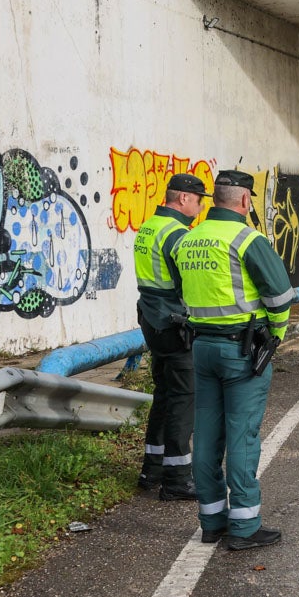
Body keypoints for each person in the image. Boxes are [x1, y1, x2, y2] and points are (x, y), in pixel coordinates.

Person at [175, 170, 296, 551]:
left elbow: (182, 292)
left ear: (214, 199)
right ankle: (244, 527)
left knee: (207, 434)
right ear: (245, 201)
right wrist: (274, 335)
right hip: (241, 352)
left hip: (201, 348)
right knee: (242, 436)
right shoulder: (247, 239)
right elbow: (280, 297)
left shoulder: (186, 240)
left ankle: (212, 521)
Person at [133, 173, 207, 501]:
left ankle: (153, 469)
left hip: (151, 322)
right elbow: (188, 285)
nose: (202, 205)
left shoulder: (148, 227)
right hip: (174, 324)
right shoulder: (178, 235)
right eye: (199, 199)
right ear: (183, 200)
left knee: (164, 393)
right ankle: (177, 478)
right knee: (183, 397)